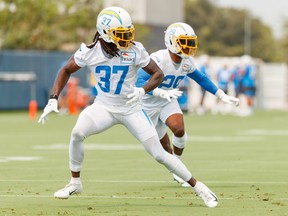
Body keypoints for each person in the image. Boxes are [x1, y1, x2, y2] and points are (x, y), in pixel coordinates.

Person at [38, 7, 218, 208]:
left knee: (159, 154)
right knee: (77, 133)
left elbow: (157, 74)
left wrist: (143, 90)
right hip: (104, 107)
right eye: (121, 35)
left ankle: (199, 187)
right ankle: (75, 183)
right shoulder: (90, 51)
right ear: (105, 33)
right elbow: (66, 70)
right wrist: (53, 98)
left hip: (131, 108)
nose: (127, 39)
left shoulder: (134, 50)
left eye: (128, 33)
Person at [136, 22, 239, 187]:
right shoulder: (158, 58)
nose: (189, 46)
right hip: (147, 104)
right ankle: (175, 168)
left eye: (190, 42)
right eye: (184, 41)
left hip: (168, 101)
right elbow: (138, 80)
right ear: (172, 41)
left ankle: (178, 167)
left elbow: (201, 78)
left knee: (179, 129)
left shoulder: (186, 61)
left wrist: (221, 94)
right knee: (163, 147)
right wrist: (158, 92)